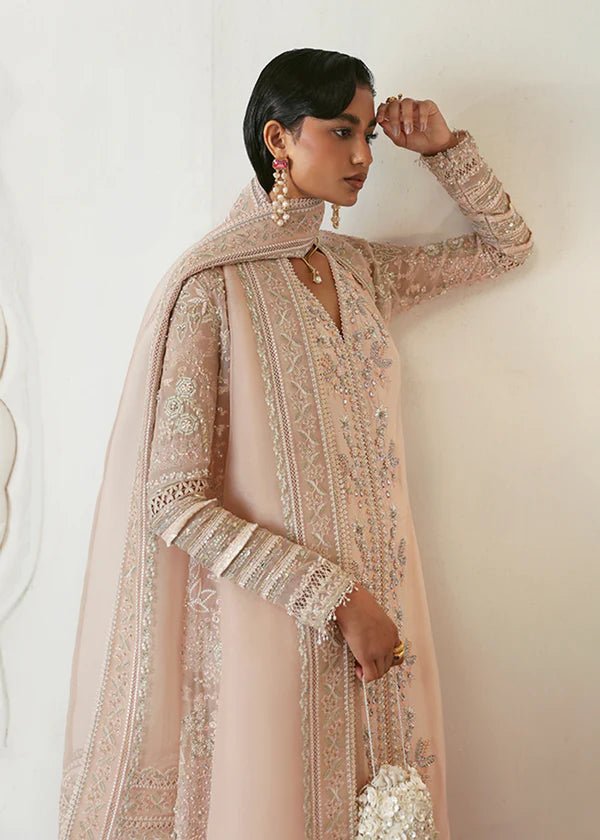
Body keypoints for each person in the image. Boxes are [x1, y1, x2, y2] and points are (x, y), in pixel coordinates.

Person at [57, 48, 534, 840]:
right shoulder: (211, 287)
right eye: (340, 131)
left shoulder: (356, 271)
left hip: (387, 631)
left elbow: (503, 247)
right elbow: (174, 503)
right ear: (279, 141)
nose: (362, 156)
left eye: (368, 134)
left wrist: (445, 151)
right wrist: (338, 600)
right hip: (279, 629)